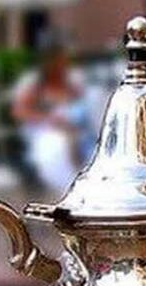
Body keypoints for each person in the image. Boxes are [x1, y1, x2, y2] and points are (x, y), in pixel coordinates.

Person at [12, 49, 92, 195]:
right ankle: (67, 186)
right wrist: (49, 118)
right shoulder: (35, 86)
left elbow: (80, 105)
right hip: (45, 129)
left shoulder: (71, 84)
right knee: (59, 147)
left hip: (73, 128)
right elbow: (20, 112)